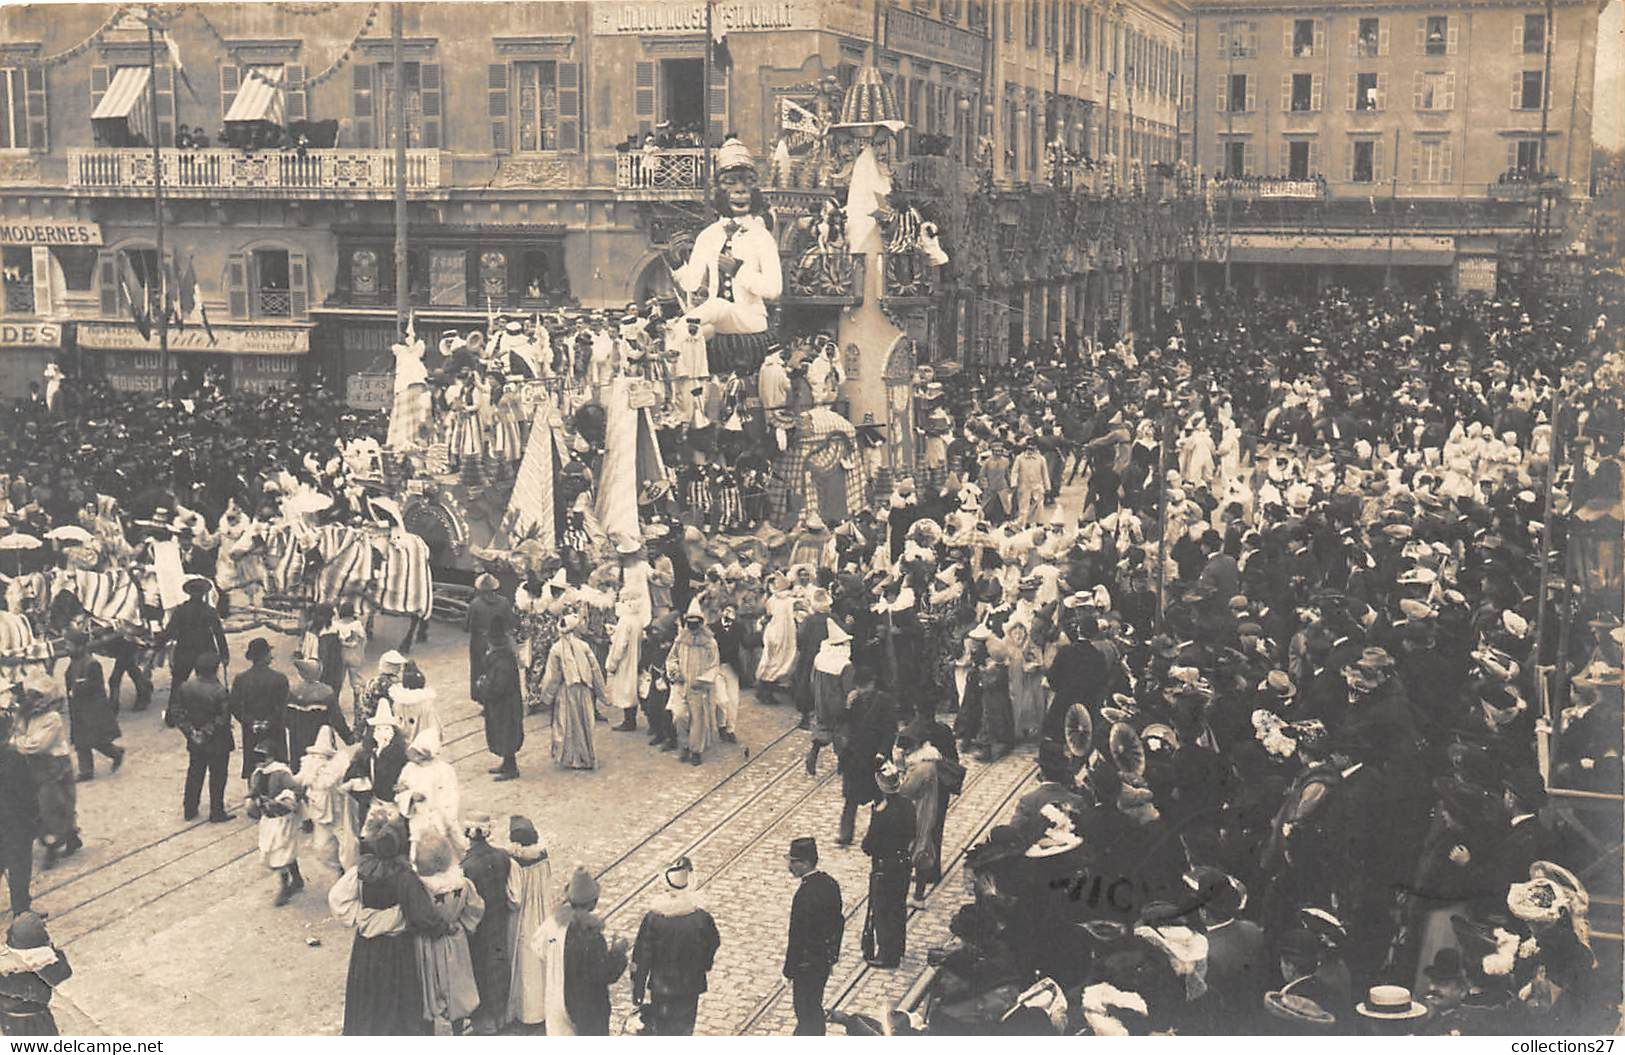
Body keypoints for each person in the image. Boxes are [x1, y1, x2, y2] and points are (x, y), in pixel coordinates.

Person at [329, 808, 440, 1035]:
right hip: (398, 947)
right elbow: (422, 915)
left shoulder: (360, 871)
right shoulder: (406, 875)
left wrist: (364, 917)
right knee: (398, 999)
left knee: (369, 998)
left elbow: (337, 899)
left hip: (367, 947)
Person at [631, 856, 721, 1036]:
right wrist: (704, 965)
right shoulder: (701, 918)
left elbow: (642, 956)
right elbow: (713, 942)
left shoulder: (653, 918)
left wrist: (638, 989)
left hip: (660, 987)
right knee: (684, 1031)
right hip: (690, 987)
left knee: (662, 1032)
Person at [535, 865, 629, 1036]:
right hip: (588, 1007)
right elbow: (606, 974)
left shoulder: (553, 924)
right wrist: (618, 953)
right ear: (594, 902)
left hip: (558, 999)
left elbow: (538, 947)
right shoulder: (592, 936)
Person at [411, 828, 484, 1032]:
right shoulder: (462, 884)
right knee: (456, 987)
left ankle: (430, 1029)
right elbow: (476, 908)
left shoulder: (419, 887)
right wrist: (465, 926)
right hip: (454, 940)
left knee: (430, 987)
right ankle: (457, 1028)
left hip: (427, 942)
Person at [11, 679, 81, 868]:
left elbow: (37, 745)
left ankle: (52, 848)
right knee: (44, 805)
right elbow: (16, 734)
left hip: (54, 766)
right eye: (32, 696)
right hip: (35, 767)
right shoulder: (26, 716)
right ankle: (72, 837)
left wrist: (19, 742)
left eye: (39, 697)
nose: (34, 701)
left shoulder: (52, 718)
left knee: (52, 806)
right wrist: (21, 741)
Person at [783, 837, 843, 1036]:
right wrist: (832, 955)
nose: (790, 866)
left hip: (806, 965)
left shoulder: (805, 894)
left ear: (805, 863)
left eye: (793, 861)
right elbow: (838, 924)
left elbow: (797, 936)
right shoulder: (830, 884)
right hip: (823, 961)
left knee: (805, 1010)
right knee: (813, 1005)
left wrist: (789, 969)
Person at [459, 814, 513, 1036]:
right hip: (499, 919)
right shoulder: (502, 857)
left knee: (480, 968)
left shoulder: (466, 865)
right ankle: (501, 1014)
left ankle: (486, 1019)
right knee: (498, 964)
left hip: (478, 926)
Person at [860, 758, 914, 968]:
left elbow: (869, 844)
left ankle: (886, 954)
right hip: (903, 863)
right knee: (898, 906)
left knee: (882, 909)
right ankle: (898, 948)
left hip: (884, 866)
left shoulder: (881, 812)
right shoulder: (908, 805)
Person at [504, 814, 554, 1032]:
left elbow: (515, 897)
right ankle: (544, 1007)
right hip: (543, 910)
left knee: (525, 963)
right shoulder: (543, 855)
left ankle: (527, 1011)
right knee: (542, 960)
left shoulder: (516, 862)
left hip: (524, 915)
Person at [539, 613, 605, 771]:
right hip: (583, 689)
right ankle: (586, 756)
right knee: (585, 722)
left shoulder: (556, 648)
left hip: (566, 690)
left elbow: (553, 676)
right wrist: (601, 692)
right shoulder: (584, 646)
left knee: (568, 724)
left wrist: (547, 696)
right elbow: (595, 669)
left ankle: (571, 757)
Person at [245, 737, 304, 906]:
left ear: (272, 757)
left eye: (264, 757)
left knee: (280, 851)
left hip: (282, 819)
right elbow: (254, 791)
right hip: (268, 819)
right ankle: (298, 879)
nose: (260, 762)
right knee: (277, 850)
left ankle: (285, 887)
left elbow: (296, 791)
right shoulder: (257, 773)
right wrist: (252, 800)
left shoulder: (281, 773)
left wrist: (281, 802)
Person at [63, 627, 125, 781]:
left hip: (91, 710)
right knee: (80, 741)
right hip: (78, 709)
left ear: (80, 646)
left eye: (69, 644)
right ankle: (86, 771)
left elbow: (96, 687)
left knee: (96, 740)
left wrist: (77, 689)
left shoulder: (92, 664)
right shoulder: (74, 662)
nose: (66, 648)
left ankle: (116, 753)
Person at [667, 600, 721, 767]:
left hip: (699, 688)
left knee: (698, 720)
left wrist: (703, 680)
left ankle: (695, 750)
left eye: (695, 623)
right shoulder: (680, 640)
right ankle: (683, 745)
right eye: (689, 623)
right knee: (679, 716)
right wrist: (675, 671)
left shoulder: (709, 643)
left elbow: (714, 665)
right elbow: (672, 658)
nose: (692, 627)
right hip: (682, 686)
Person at [0, 912, 72, 1037]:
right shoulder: (42, 960)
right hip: (28, 1019)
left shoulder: (8, 957)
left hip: (15, 1018)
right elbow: (63, 973)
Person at [155, 576, 229, 694]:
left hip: (185, 651)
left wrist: (157, 645)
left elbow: (169, 631)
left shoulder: (181, 610)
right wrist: (225, 655)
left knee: (177, 686)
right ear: (204, 594)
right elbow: (219, 634)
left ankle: (174, 711)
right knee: (208, 685)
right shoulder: (210, 611)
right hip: (205, 651)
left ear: (189, 593)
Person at [229, 636, 290, 778]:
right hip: (274, 728)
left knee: (253, 767)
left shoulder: (241, 679)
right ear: (265, 655)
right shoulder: (279, 678)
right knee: (277, 766)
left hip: (251, 730)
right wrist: (269, 722)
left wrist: (250, 722)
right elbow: (282, 706)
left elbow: (234, 706)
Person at [473, 615, 524, 781]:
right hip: (504, 704)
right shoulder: (502, 656)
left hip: (505, 706)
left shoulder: (502, 661)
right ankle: (507, 763)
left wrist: (483, 685)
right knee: (503, 732)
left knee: (505, 733)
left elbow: (499, 686)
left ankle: (511, 768)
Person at [0, 711, 40, 916]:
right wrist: (36, 816)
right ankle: (22, 910)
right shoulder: (13, 757)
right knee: (19, 865)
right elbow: (27, 790)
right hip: (15, 820)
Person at [287, 656, 353, 772]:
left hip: (297, 740)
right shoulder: (326, 692)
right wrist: (348, 738)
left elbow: (286, 718)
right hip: (321, 739)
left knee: (298, 770)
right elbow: (337, 719)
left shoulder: (292, 691)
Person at [807, 620, 854, 776]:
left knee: (823, 728)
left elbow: (812, 680)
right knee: (842, 733)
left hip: (821, 702)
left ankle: (813, 754)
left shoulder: (820, 658)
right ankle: (842, 764)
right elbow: (848, 689)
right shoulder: (845, 665)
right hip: (838, 704)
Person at [466, 572, 513, 696]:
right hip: (502, 642)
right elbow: (511, 622)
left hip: (480, 642)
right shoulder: (505, 602)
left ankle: (482, 696)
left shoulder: (475, 604)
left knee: (480, 670)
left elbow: (467, 626)